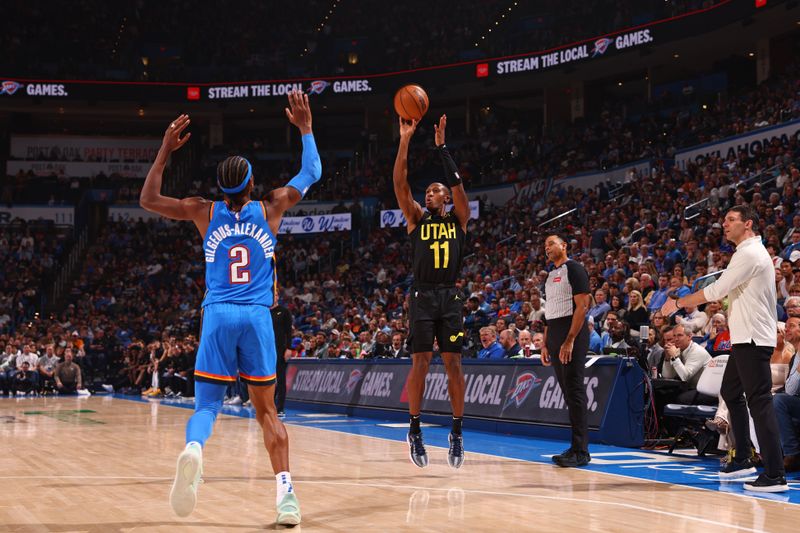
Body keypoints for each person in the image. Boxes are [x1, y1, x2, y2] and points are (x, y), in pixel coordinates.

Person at [140, 91, 320, 523]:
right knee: (267, 412)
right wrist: (306, 129)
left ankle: (193, 451)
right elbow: (312, 169)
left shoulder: (203, 211)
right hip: (258, 317)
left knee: (206, 408)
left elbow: (148, 199)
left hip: (218, 315)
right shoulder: (271, 206)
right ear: (251, 184)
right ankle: (286, 497)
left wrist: (165, 149)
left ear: (222, 188)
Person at [667, 206, 787, 492]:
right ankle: (743, 458)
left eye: (731, 220)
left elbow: (715, 290)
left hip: (754, 340)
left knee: (759, 401)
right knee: (732, 393)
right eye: (724, 219)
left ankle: (774, 474)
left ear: (748, 224)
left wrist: (680, 302)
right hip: (745, 339)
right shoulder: (748, 253)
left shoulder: (749, 253)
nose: (724, 223)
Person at [393, 114, 470, 469]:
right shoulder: (416, 218)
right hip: (423, 295)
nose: (430, 193)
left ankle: (456, 431)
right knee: (420, 362)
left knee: (453, 363)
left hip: (450, 296)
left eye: (435, 190)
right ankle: (415, 429)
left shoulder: (459, 219)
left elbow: (458, 186)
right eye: (428, 191)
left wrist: (442, 149)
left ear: (446, 197)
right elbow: (400, 184)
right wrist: (405, 140)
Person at [542, 234, 591, 468]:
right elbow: (549, 312)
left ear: (564, 246)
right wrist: (545, 343)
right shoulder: (550, 275)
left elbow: (583, 306)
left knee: (574, 390)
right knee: (568, 393)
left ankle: (581, 451)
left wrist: (570, 339)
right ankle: (575, 447)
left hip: (572, 332)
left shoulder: (575, 269)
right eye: (545, 246)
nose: (547, 248)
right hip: (555, 332)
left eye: (551, 243)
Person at [774, 316, 800, 472]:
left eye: (791, 326)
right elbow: (790, 389)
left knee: (779, 401)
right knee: (776, 400)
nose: (786, 330)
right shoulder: (795, 357)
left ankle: (792, 453)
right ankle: (789, 453)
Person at [271, 304, 293, 418]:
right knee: (267, 381)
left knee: (280, 379)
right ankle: (268, 406)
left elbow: (289, 331)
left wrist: (289, 348)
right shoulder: (264, 311)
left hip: (280, 350)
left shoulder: (284, 311)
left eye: (275, 294)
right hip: (267, 350)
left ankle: (280, 408)